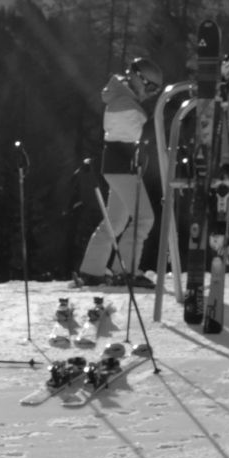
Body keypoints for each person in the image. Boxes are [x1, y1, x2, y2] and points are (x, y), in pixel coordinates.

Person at [77, 56, 164, 286]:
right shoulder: (123, 104)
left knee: (115, 220)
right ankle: (126, 271)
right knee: (144, 218)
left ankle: (92, 270)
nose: (152, 93)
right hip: (122, 167)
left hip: (119, 167)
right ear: (139, 79)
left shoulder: (123, 99)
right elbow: (133, 135)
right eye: (151, 87)